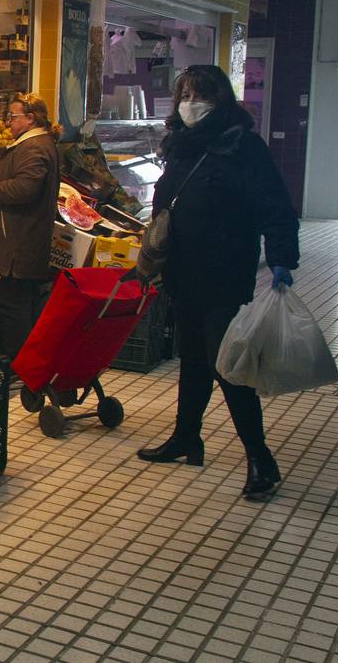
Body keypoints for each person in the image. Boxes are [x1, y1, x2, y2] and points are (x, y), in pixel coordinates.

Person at [135, 64, 300, 502]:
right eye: (184, 95)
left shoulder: (243, 146)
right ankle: (186, 437)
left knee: (226, 363)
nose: (191, 103)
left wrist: (282, 257)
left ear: (220, 99)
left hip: (225, 270)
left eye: (199, 95)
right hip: (184, 270)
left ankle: (260, 457)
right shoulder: (181, 144)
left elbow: (275, 206)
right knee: (192, 358)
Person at [0, 93, 61, 357]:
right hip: (25, 242)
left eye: (13, 116)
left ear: (31, 118)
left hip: (19, 245)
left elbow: (25, 188)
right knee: (23, 306)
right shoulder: (35, 143)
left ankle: (18, 366)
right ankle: (27, 364)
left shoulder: (34, 146)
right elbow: (20, 175)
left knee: (15, 309)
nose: (8, 121)